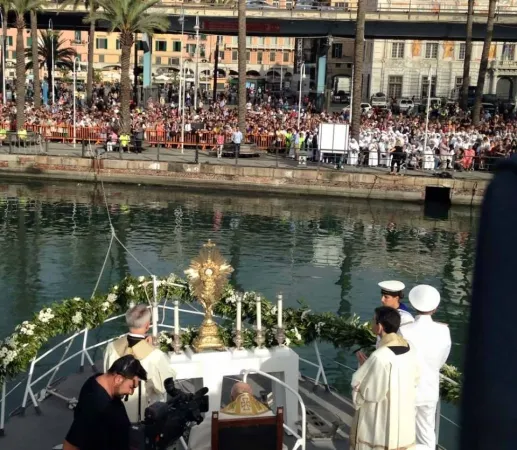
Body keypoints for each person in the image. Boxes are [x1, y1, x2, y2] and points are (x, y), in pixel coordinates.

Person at [350, 306, 419, 450]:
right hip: (404, 414)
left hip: (382, 418)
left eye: (373, 320)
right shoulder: (410, 346)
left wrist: (365, 368)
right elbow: (416, 376)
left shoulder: (380, 356)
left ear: (380, 327)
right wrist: (370, 365)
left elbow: (370, 393)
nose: (371, 323)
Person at [103, 304, 177, 423]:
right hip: (145, 415)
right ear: (147, 325)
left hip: (114, 412)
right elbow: (163, 386)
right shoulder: (155, 355)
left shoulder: (111, 347)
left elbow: (107, 374)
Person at [400, 285, 451, 450]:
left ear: (414, 306)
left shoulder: (404, 330)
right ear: (434, 308)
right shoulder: (443, 331)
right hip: (430, 387)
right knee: (428, 432)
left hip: (408, 388)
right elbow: (442, 360)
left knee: (404, 432)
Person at [63, 355, 147, 450]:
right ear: (118, 379)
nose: (131, 392)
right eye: (131, 387)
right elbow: (70, 444)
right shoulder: (95, 405)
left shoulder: (97, 379)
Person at [187, 382, 271, 450]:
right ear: (251, 397)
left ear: (231, 398)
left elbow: (195, 442)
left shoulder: (217, 418)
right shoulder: (269, 415)